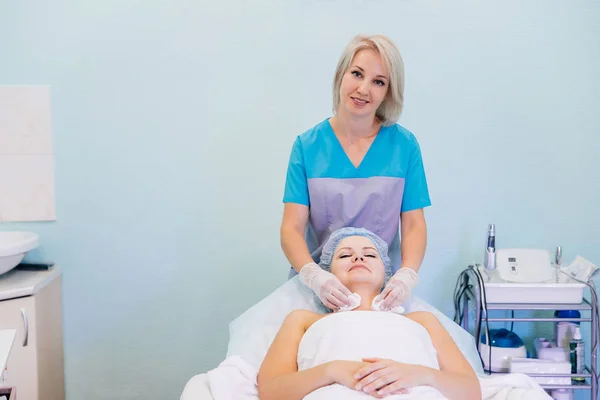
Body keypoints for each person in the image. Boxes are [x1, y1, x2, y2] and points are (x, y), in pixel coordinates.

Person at [280, 34, 431, 312]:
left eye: (379, 82)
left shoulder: (404, 146)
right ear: (341, 75)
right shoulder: (308, 146)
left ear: (389, 92)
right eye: (357, 74)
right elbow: (291, 228)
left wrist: (406, 276)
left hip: (381, 292)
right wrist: (315, 277)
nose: (363, 89)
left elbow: (413, 225)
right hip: (318, 291)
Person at [258, 228, 480, 400]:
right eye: (345, 255)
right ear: (326, 273)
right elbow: (270, 392)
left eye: (370, 255)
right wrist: (332, 371)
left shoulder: (422, 320)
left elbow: (471, 391)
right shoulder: (303, 320)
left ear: (387, 273)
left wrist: (421, 374)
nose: (358, 259)